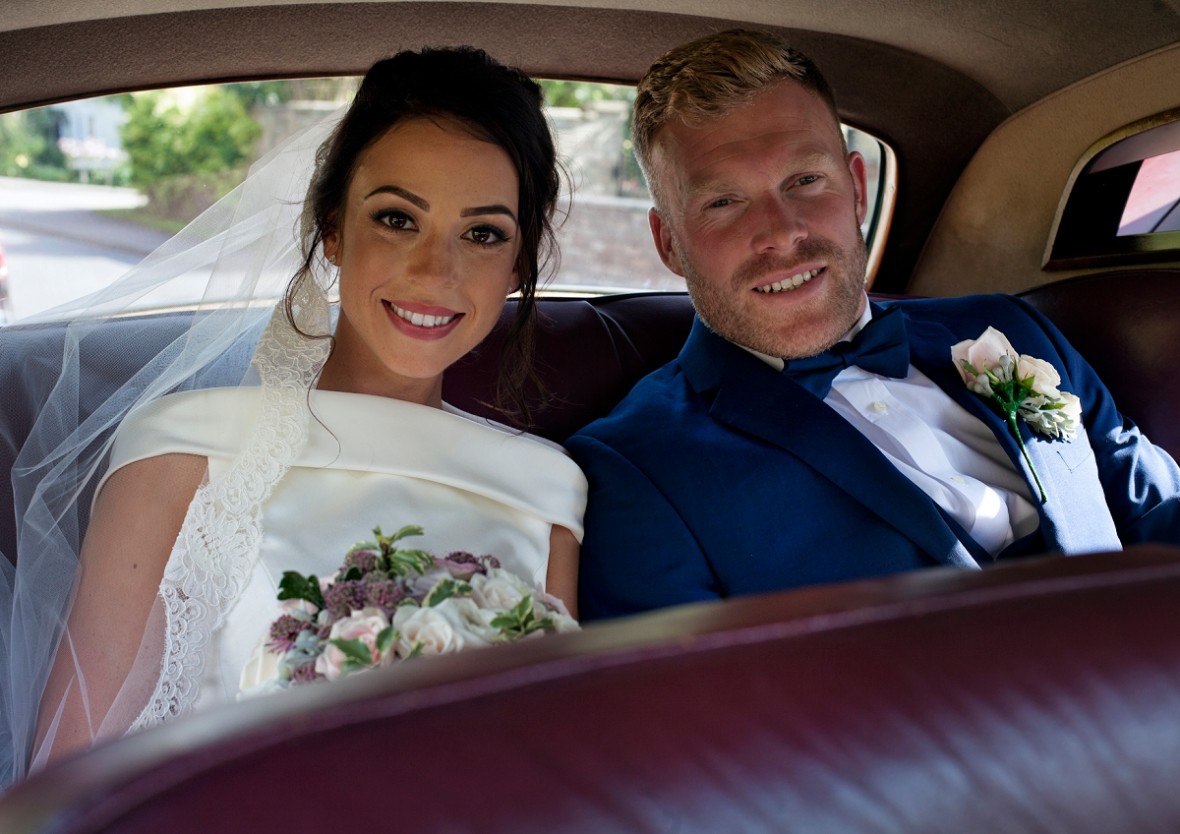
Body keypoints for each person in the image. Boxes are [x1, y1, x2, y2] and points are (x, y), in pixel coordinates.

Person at [0, 46, 586, 786]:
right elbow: (76, 788)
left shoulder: (547, 493)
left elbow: (546, 770)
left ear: (520, 263)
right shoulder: (180, 454)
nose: (437, 272)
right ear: (333, 229)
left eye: (483, 233)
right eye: (398, 219)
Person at [566, 29, 1180, 621]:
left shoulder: (1009, 327)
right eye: (723, 202)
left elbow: (1156, 511)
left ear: (857, 190)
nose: (782, 231)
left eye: (806, 180)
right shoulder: (635, 470)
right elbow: (690, 714)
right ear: (670, 243)